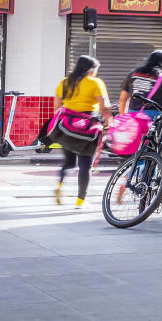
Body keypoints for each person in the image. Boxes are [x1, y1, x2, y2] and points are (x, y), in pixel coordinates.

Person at [49, 54, 110, 208]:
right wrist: (108, 123)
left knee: (68, 162)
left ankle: (60, 186)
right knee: (85, 166)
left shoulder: (64, 82)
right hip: (87, 129)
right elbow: (105, 107)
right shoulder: (95, 82)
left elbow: (56, 105)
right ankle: (80, 200)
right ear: (90, 69)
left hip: (67, 126)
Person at [119, 48, 162, 115]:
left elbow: (123, 99)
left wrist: (122, 116)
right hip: (152, 118)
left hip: (133, 116)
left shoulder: (133, 74)